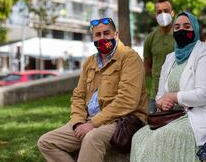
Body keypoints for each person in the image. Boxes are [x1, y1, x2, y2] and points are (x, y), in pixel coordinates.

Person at [37, 17, 148, 162]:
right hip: (88, 120)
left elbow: (127, 100)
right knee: (46, 142)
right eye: (98, 35)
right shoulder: (89, 62)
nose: (102, 38)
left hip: (121, 120)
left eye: (106, 33)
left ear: (116, 34)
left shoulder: (130, 58)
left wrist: (93, 124)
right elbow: (78, 96)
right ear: (93, 37)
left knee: (91, 137)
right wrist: (78, 122)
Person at [130, 11, 206, 162]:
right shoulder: (171, 58)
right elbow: (160, 94)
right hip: (175, 116)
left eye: (187, 26)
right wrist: (163, 102)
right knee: (139, 136)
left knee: (162, 138)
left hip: (203, 116)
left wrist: (173, 97)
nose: (181, 30)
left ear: (195, 29)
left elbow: (202, 95)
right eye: (177, 27)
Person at [144, 0, 175, 113]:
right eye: (159, 12)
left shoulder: (180, 36)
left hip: (177, 95)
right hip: (155, 96)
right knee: (153, 128)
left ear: (172, 13)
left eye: (166, 11)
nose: (163, 14)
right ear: (155, 15)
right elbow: (146, 66)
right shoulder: (150, 39)